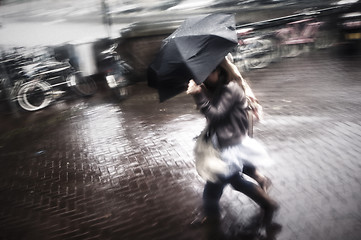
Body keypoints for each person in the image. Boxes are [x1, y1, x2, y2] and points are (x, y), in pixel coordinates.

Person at [187, 56, 279, 235]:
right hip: (224, 144)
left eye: (207, 73)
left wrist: (198, 95)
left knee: (214, 189)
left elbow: (216, 116)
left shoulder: (231, 89)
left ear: (219, 70)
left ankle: (213, 224)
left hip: (231, 146)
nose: (203, 77)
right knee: (234, 182)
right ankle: (267, 203)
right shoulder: (216, 88)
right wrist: (202, 92)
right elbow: (212, 115)